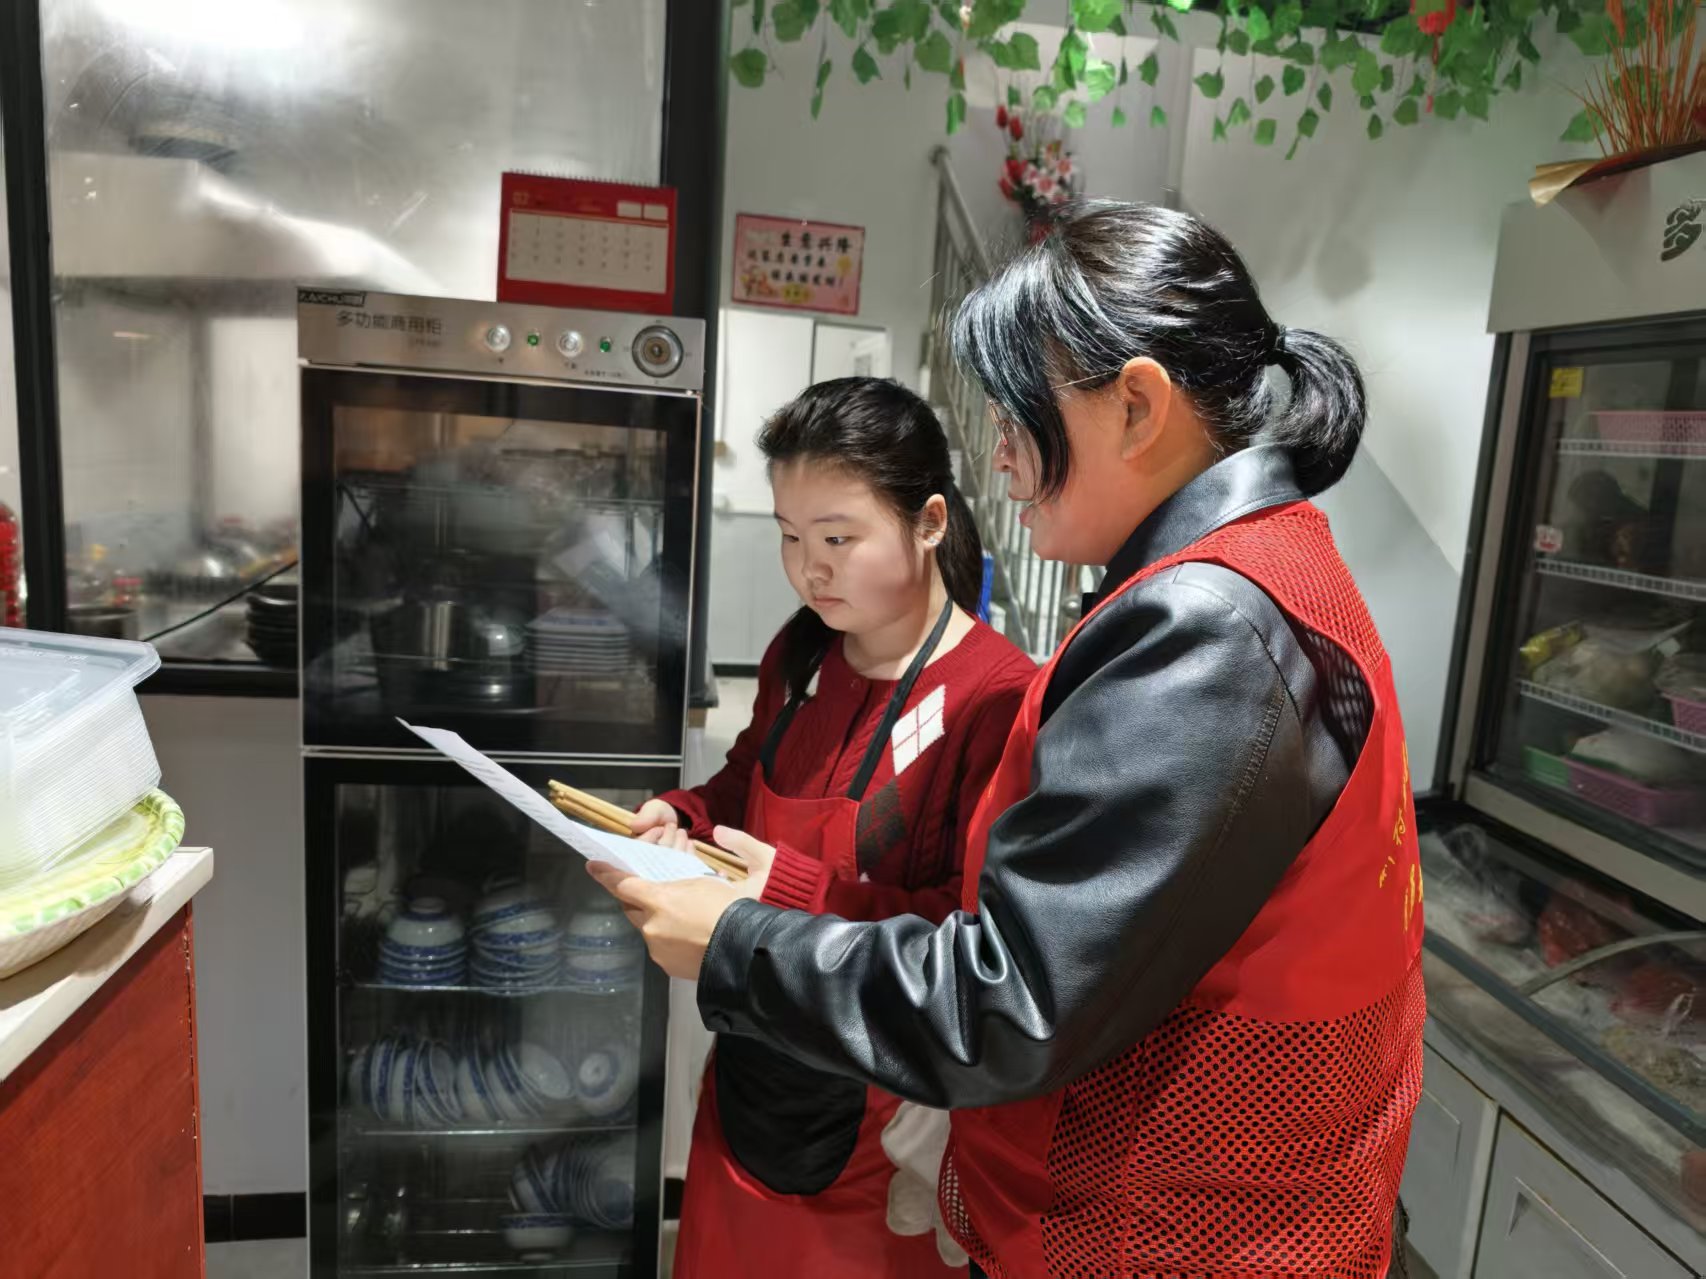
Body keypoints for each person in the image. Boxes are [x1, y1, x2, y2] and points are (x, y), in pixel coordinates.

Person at [597, 201, 1424, 1278]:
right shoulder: (1268, 571)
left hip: (1173, 1237)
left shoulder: (1203, 627)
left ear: (1136, 406)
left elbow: (1008, 998)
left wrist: (736, 942)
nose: (998, 459)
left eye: (1018, 418)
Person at [631, 377, 1036, 1277]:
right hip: (750, 1069)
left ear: (929, 522)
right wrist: (686, 814)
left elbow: (972, 938)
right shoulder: (801, 650)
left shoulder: (994, 698)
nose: (809, 569)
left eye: (838, 539)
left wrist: (783, 889)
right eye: (790, 536)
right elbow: (749, 776)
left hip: (881, 1112)